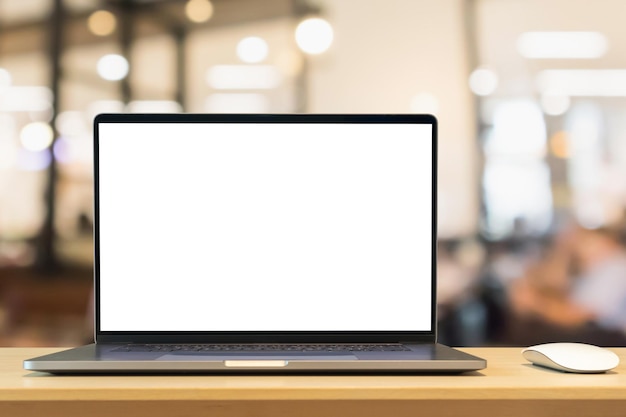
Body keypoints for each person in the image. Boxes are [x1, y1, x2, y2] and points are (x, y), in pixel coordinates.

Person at [507, 224, 626, 344]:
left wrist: (535, 303)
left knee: (531, 332)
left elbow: (577, 316)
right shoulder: (598, 267)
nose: (579, 248)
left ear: (608, 242)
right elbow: (558, 286)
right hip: (593, 332)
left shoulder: (615, 268)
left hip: (607, 338)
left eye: (586, 242)